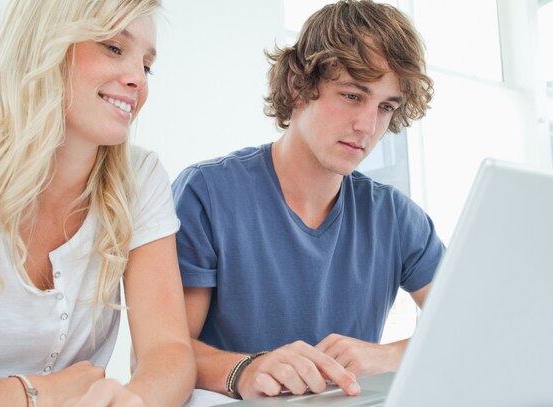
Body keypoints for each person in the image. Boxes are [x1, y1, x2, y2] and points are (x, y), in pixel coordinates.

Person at [172, 0, 445, 401]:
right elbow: (164, 355)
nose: (367, 127)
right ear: (298, 87)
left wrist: (390, 355)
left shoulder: (395, 217)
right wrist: (246, 369)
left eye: (386, 107)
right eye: (353, 95)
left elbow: (472, 327)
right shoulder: (208, 194)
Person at [0, 1, 195, 406]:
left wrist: (132, 400)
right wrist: (36, 395)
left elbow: (168, 351)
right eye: (114, 47)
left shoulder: (140, 179)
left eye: (147, 65)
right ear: (43, 45)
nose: (138, 79)